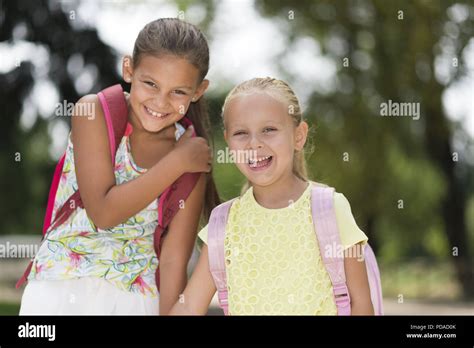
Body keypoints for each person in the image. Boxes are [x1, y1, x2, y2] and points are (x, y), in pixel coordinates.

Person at [19, 18, 218, 315]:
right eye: (150, 83)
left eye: (178, 92)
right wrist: (176, 162)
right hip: (60, 287)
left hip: (135, 299)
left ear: (198, 91)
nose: (160, 101)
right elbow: (103, 212)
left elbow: (174, 259)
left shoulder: (192, 158)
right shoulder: (94, 112)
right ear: (129, 70)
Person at [169, 77, 374, 315]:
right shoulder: (223, 224)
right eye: (241, 133)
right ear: (228, 141)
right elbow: (190, 306)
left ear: (299, 136)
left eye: (269, 130)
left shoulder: (330, 208)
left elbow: (361, 304)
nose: (254, 144)